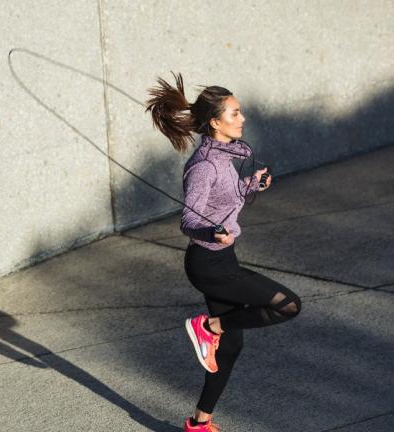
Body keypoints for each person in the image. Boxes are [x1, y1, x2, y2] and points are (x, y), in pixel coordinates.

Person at [146, 73, 302, 432]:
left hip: (221, 260)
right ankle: (208, 325)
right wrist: (211, 232)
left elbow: (225, 203)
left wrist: (251, 185)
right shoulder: (203, 166)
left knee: (230, 349)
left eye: (240, 111)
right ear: (216, 122)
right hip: (208, 264)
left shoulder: (225, 158)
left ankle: (199, 424)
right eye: (235, 113)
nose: (242, 118)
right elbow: (188, 220)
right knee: (288, 305)